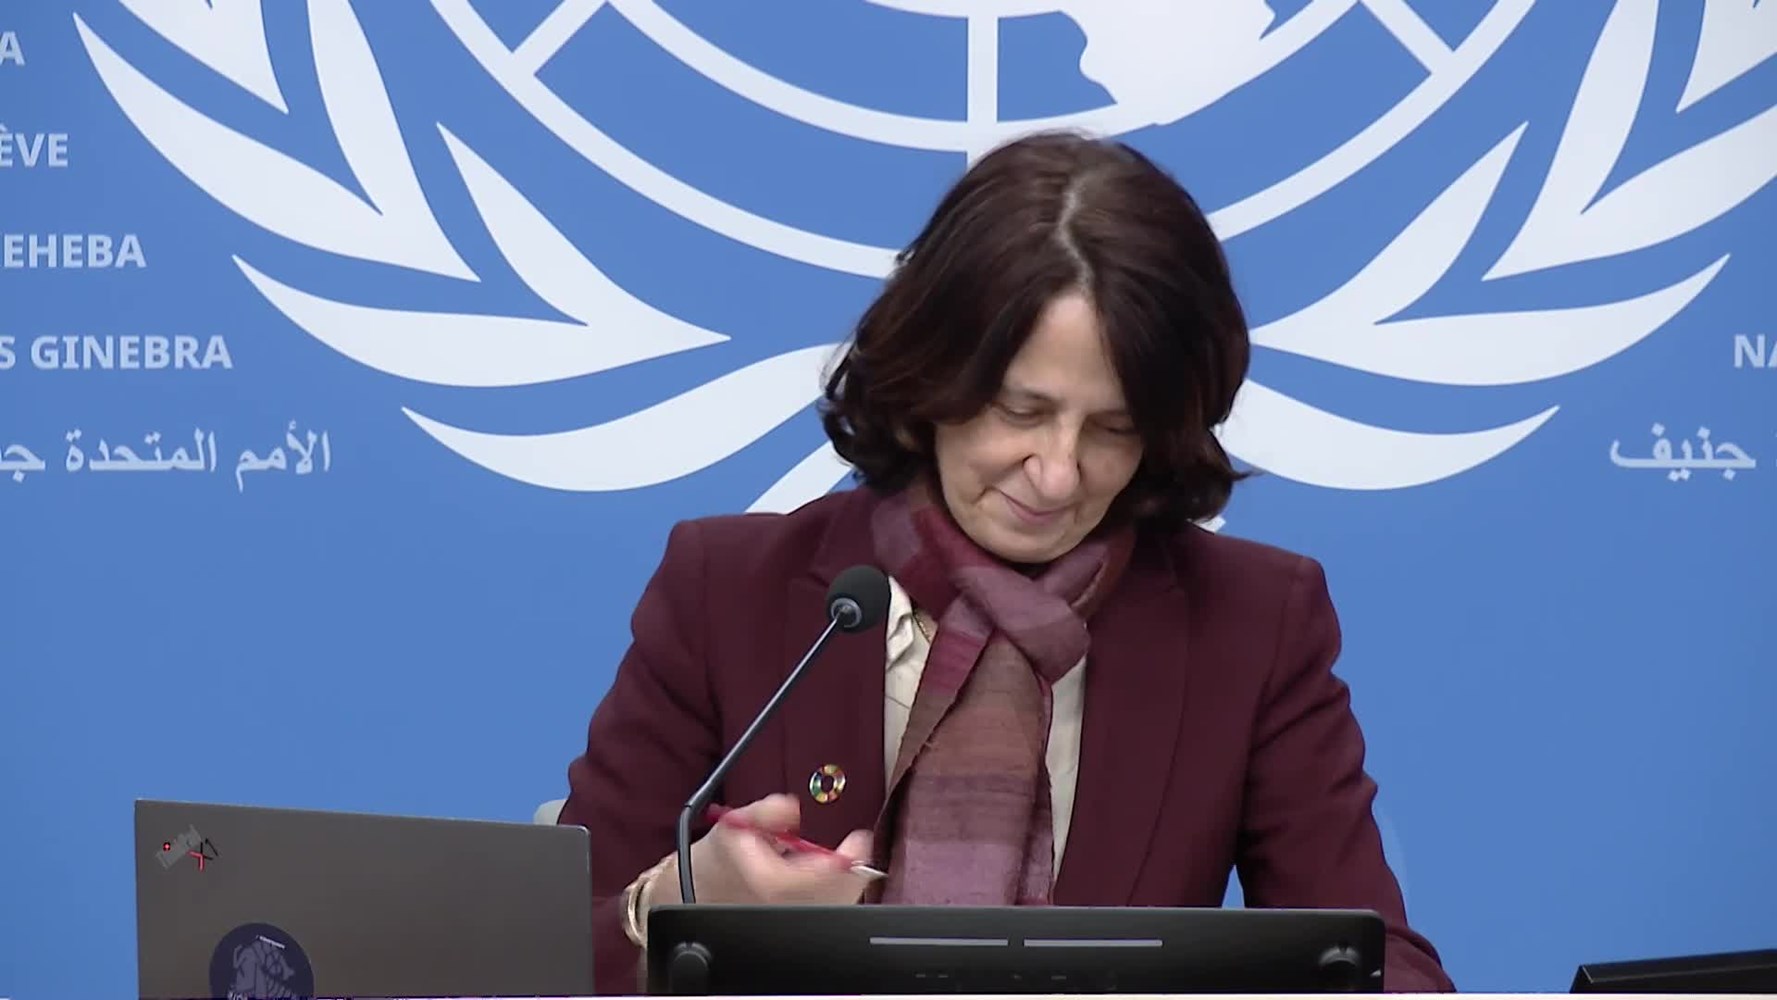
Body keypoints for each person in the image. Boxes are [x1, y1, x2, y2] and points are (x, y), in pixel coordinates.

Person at [557, 130, 1455, 994]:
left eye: (1114, 429)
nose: (1059, 474)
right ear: (932, 376)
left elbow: (1375, 961)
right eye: (1021, 413)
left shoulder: (1253, 623)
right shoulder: (729, 590)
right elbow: (539, 957)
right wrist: (670, 906)